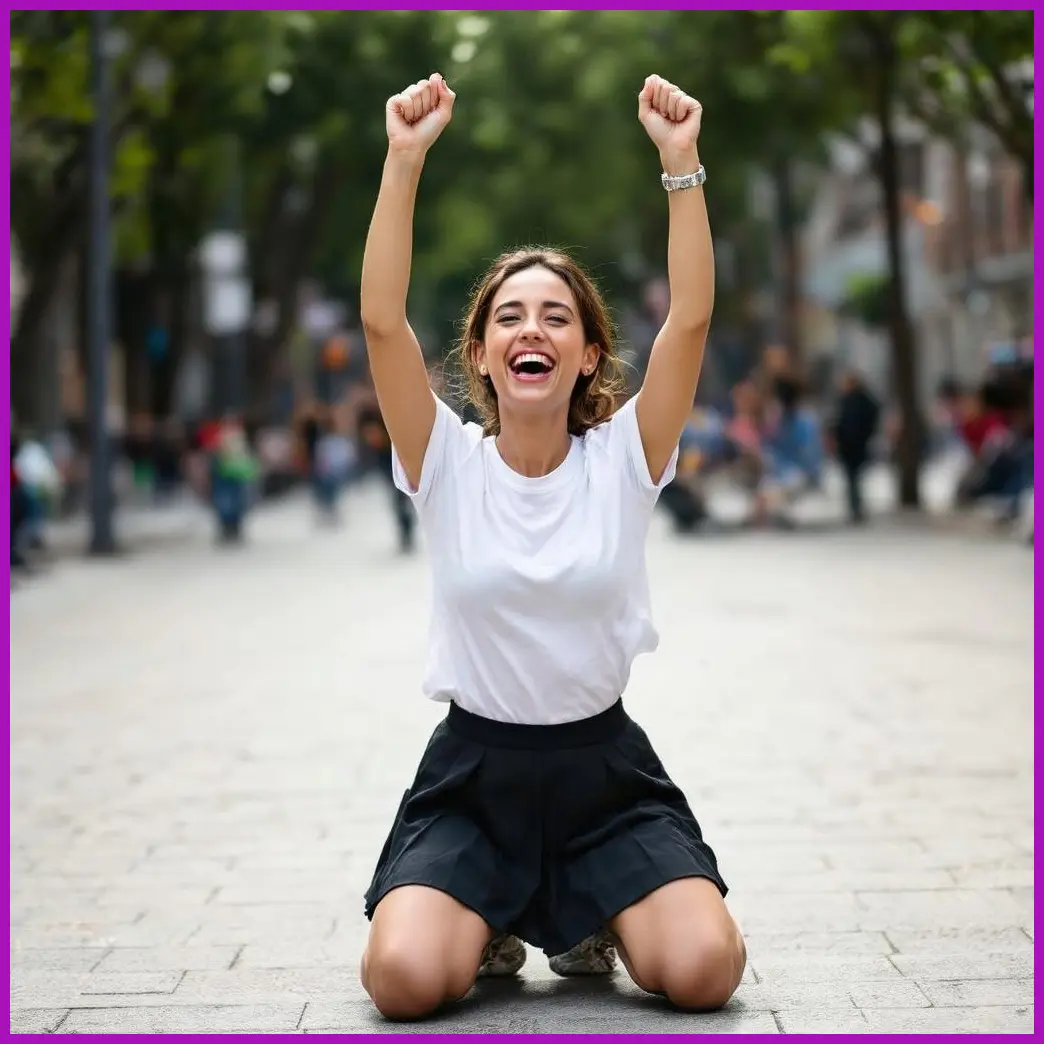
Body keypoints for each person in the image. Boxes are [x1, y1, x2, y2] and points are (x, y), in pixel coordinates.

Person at [357, 72, 745, 1021]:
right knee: (403, 983)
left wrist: (682, 164)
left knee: (704, 972)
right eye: (509, 318)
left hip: (603, 778)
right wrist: (403, 163)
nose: (532, 329)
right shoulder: (445, 460)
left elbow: (689, 320)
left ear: (585, 356)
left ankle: (596, 917)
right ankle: (486, 921)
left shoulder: (626, 457)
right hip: (474, 781)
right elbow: (379, 321)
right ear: (483, 354)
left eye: (557, 317)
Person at [832, 369, 880, 524]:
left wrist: (866, 434)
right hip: (847, 445)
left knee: (854, 479)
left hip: (857, 445)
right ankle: (855, 508)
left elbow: (872, 415)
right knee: (852, 479)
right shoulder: (845, 400)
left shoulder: (861, 401)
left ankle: (856, 508)